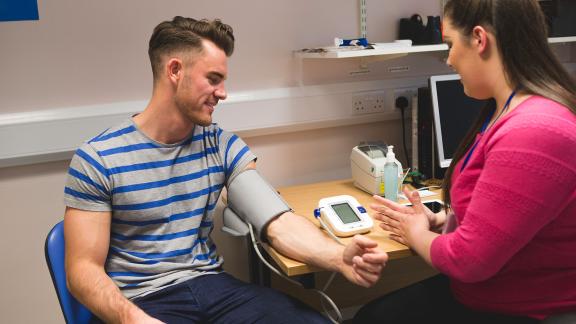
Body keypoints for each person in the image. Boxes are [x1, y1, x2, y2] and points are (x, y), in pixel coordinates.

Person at [63, 16, 388, 324]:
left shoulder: (219, 144)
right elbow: (82, 271)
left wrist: (338, 257)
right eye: (213, 79)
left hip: (214, 289)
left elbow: (277, 222)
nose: (223, 93)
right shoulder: (99, 159)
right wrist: (130, 317)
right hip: (142, 299)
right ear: (175, 70)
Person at [353, 0, 576, 323]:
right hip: (496, 294)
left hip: (528, 309)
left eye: (450, 44)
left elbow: (467, 262)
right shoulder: (509, 110)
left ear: (479, 39)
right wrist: (450, 221)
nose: (449, 59)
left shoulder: (533, 131)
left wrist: (415, 231)